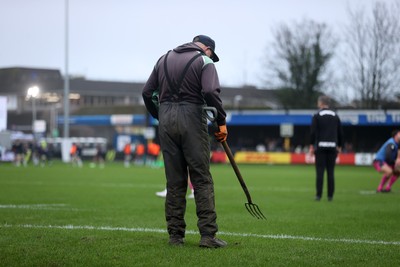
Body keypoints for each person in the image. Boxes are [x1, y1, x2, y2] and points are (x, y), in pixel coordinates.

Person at [142, 35, 228, 248]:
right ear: (207, 49)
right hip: (191, 117)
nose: (210, 57)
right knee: (201, 179)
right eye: (211, 54)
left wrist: (160, 115)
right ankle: (208, 236)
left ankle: (175, 236)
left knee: (174, 181)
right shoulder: (204, 61)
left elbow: (147, 92)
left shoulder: (163, 59)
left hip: (166, 119)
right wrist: (221, 121)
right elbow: (209, 91)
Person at [309, 95, 344, 202]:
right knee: (330, 172)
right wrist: (340, 146)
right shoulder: (335, 116)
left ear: (320, 103)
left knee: (320, 172)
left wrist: (311, 145)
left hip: (321, 147)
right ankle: (330, 196)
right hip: (332, 147)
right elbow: (340, 132)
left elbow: (313, 132)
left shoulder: (317, 115)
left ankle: (318, 195)